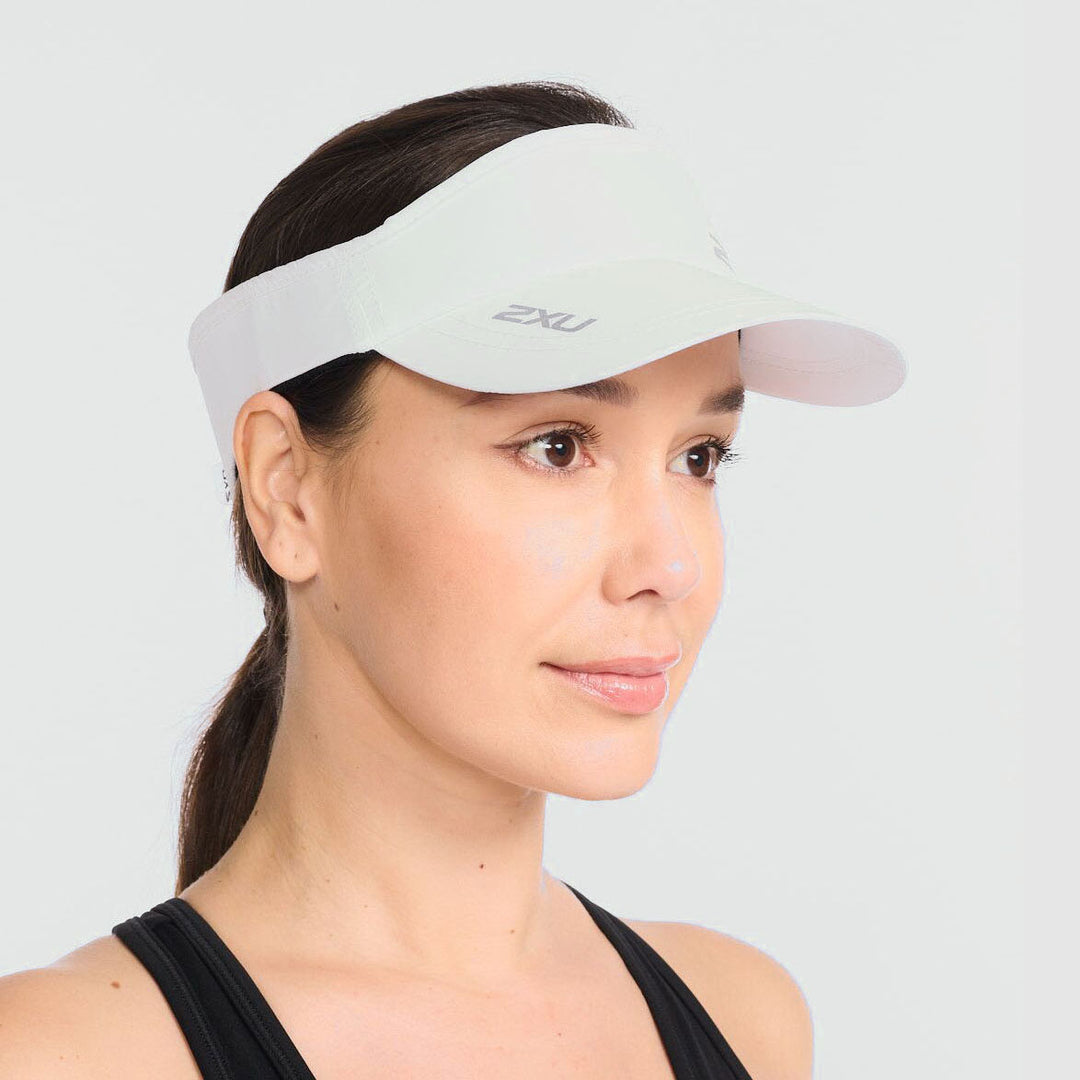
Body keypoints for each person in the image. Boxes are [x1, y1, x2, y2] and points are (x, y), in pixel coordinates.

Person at [0, 79, 904, 1079]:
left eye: (699, 457)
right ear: (287, 488)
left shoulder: (745, 1020)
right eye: (558, 446)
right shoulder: (62, 1056)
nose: (671, 566)